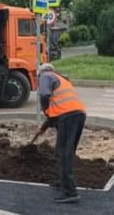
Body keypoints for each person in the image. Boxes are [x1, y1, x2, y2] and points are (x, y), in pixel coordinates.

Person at [37, 62, 86, 203]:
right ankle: (62, 182)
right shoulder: (61, 79)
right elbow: (58, 109)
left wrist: (46, 111)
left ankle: (70, 192)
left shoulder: (45, 75)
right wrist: (45, 125)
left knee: (63, 152)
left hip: (68, 116)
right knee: (67, 152)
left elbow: (45, 96)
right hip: (78, 114)